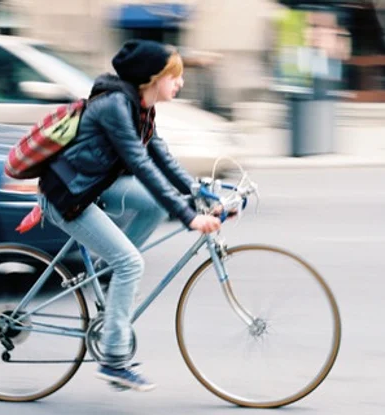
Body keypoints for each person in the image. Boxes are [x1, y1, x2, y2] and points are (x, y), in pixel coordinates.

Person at [37, 39, 222, 391]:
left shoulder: (141, 107)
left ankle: (110, 274)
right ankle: (114, 360)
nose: (180, 83)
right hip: (68, 196)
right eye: (174, 76)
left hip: (90, 187)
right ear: (152, 77)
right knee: (131, 264)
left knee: (150, 207)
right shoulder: (115, 106)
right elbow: (140, 164)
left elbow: (161, 157)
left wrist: (197, 190)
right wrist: (188, 216)